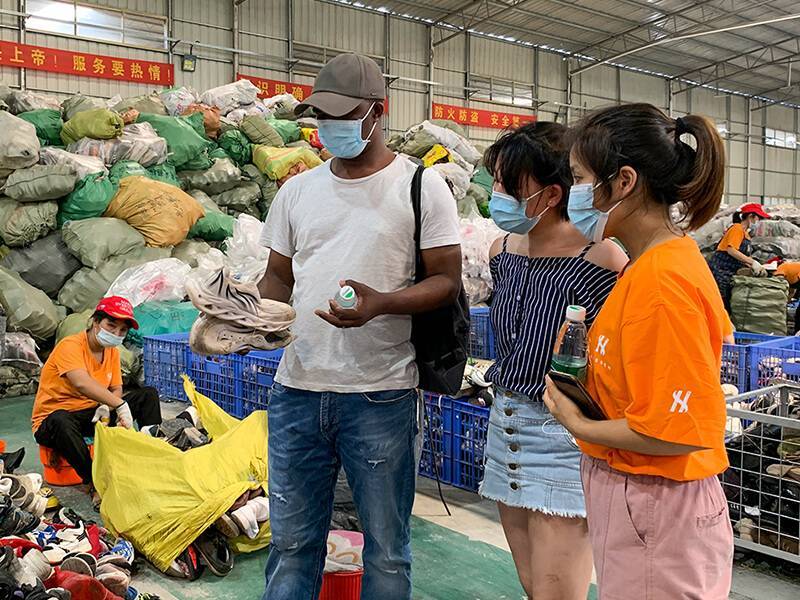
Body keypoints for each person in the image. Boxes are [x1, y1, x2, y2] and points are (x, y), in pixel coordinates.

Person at [257, 53, 461, 600]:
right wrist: (249, 320)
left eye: (342, 116)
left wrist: (382, 303)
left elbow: (446, 280)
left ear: (377, 113)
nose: (329, 128)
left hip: (380, 394)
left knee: (387, 551)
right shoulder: (297, 191)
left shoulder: (420, 187)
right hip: (296, 390)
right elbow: (278, 276)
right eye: (321, 116)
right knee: (293, 544)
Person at [543, 104, 734, 599]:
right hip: (636, 495)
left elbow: (678, 431)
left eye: (582, 179)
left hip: (657, 505)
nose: (574, 195)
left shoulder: (663, 282)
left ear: (623, 182)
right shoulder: (646, 266)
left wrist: (579, 423)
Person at [478, 122, 627, 600]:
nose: (496, 194)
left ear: (550, 193)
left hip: (561, 433)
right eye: (495, 181)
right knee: (530, 583)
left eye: (508, 185)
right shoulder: (501, 250)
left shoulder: (601, 258)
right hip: (505, 426)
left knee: (556, 591)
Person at [32, 296, 162, 501]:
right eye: (111, 325)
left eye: (122, 330)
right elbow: (81, 382)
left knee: (148, 395)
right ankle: (93, 482)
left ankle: (155, 455)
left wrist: (106, 404)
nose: (116, 333)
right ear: (95, 322)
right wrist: (117, 404)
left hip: (92, 415)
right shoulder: (70, 346)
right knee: (60, 419)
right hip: (53, 423)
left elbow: (116, 388)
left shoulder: (111, 352)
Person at [708, 202, 771, 309]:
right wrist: (752, 263)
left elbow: (743, 255)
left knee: (728, 302)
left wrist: (757, 267)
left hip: (730, 272)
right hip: (720, 270)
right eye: (758, 218)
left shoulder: (746, 234)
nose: (759, 222)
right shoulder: (737, 229)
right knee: (720, 303)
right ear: (751, 216)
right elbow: (731, 250)